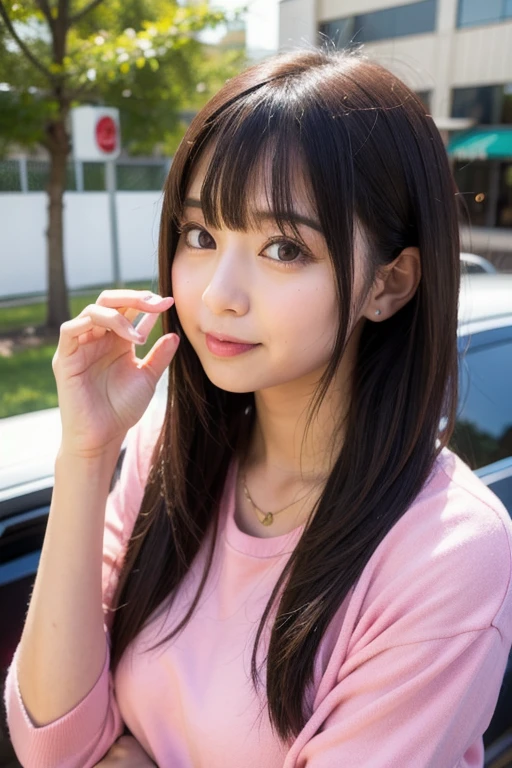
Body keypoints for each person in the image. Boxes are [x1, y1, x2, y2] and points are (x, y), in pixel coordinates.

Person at [4, 46, 512, 768]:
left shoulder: (447, 552)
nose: (217, 294)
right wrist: (85, 456)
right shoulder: (165, 453)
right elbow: (53, 745)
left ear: (389, 284)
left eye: (282, 248)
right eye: (201, 235)